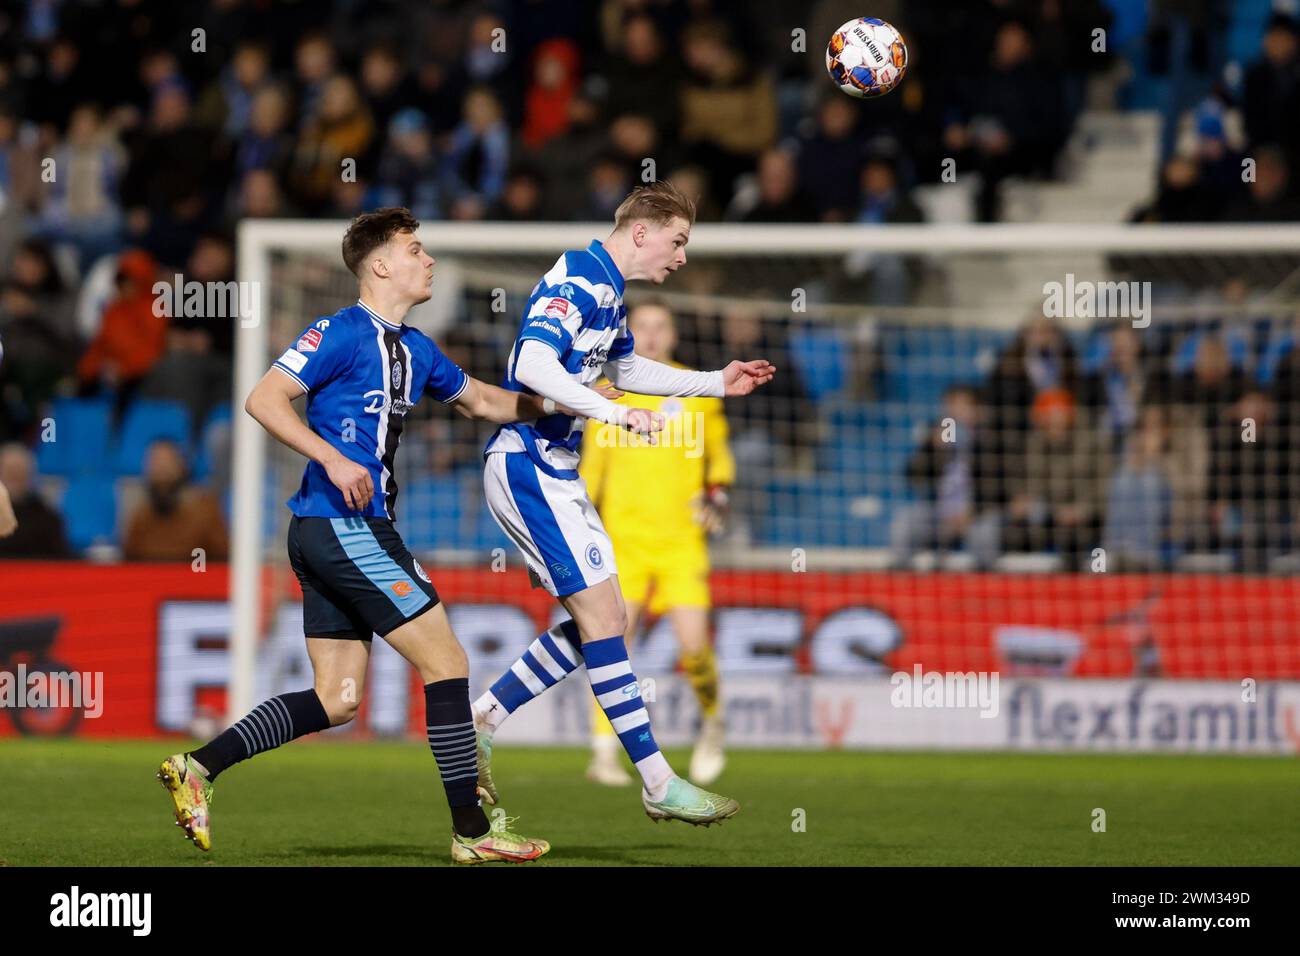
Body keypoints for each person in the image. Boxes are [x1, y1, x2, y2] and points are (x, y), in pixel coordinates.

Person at [157, 207, 578, 864]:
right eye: (416, 249)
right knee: (448, 663)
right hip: (341, 524)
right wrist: (330, 456)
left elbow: (482, 401)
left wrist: (569, 403)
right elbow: (264, 399)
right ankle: (473, 833)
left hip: (334, 530)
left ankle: (196, 769)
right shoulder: (340, 332)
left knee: (339, 698)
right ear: (380, 264)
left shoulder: (417, 349)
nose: (429, 259)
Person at [472, 180, 774, 826]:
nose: (683, 257)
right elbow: (531, 363)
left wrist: (714, 382)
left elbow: (630, 372)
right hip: (528, 463)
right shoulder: (581, 278)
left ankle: (485, 716)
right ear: (643, 231)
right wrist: (611, 412)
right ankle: (657, 779)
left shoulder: (608, 292)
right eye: (679, 240)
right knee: (607, 621)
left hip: (552, 468)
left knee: (605, 622)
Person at [578, 302, 735, 787]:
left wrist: (718, 497)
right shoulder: (607, 397)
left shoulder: (698, 392)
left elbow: (719, 465)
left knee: (694, 648)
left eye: (658, 325)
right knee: (612, 646)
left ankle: (712, 722)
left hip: (681, 544)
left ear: (672, 333)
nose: (648, 334)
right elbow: (589, 477)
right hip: (623, 543)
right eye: (639, 327)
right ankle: (604, 751)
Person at [122, 440, 228, 561]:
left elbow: (223, 561)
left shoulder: (205, 512)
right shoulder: (140, 518)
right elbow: (129, 564)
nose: (162, 470)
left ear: (182, 467)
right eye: (155, 463)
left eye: (167, 462)